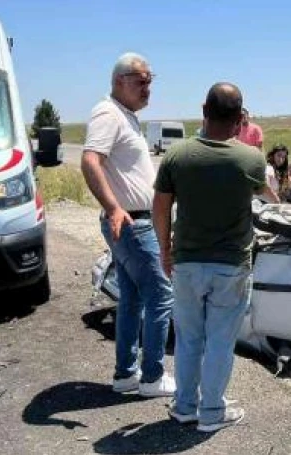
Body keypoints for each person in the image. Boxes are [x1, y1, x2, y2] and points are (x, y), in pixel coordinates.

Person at [153, 82, 272, 432]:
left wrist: (164, 249)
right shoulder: (250, 159)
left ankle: (185, 406)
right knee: (220, 340)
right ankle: (211, 412)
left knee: (189, 337)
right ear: (239, 118)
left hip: (186, 263)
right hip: (231, 266)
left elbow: (160, 207)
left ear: (204, 109)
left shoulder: (177, 156)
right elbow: (272, 200)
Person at [80, 53, 175, 397]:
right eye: (141, 81)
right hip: (133, 223)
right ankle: (152, 377)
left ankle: (126, 375)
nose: (148, 88)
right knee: (162, 297)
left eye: (151, 80)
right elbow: (91, 160)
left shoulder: (126, 115)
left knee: (132, 299)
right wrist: (113, 207)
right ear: (120, 80)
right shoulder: (108, 113)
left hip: (132, 221)